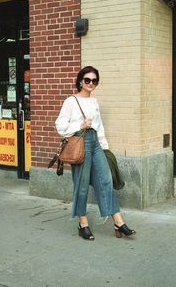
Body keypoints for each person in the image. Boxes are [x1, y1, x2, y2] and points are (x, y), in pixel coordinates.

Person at [55, 66, 136, 240]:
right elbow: (60, 126)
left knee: (106, 179)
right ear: (80, 81)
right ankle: (82, 223)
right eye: (87, 80)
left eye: (94, 81)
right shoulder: (71, 101)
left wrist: (104, 147)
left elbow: (99, 126)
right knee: (82, 185)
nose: (91, 83)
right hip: (80, 143)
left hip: (96, 143)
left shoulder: (94, 102)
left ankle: (118, 221)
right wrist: (80, 125)